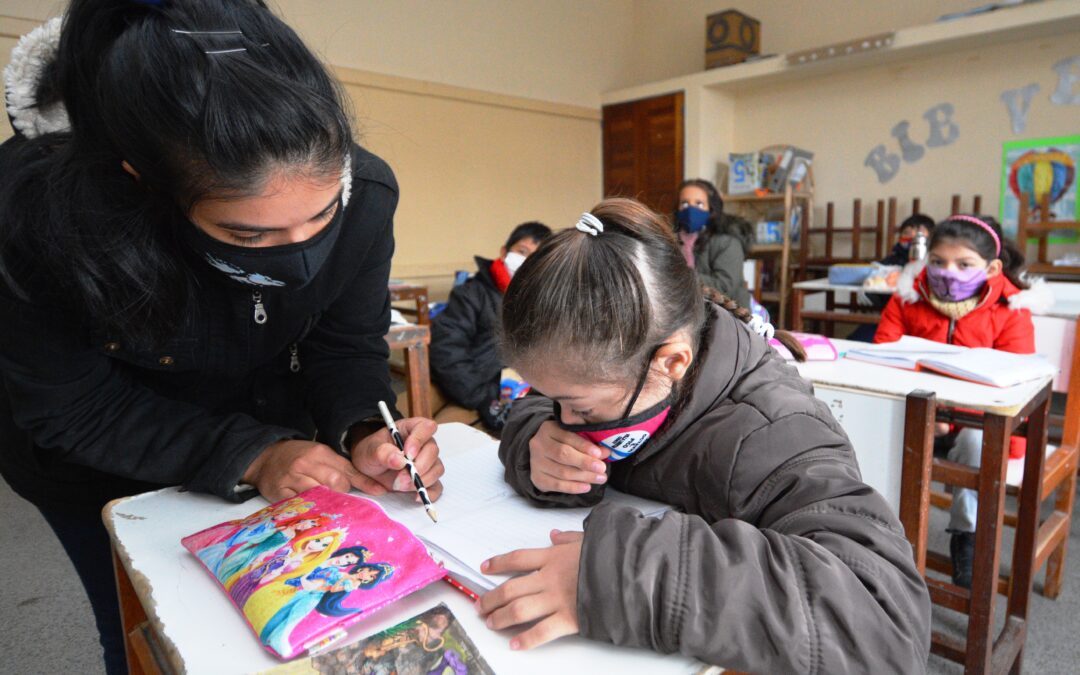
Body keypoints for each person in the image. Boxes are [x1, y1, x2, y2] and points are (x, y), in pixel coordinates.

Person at [0, 2, 443, 672]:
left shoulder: (369, 191)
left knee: (298, 634)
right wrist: (252, 452)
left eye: (322, 215)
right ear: (143, 182)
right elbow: (72, 406)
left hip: (274, 429)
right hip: (96, 461)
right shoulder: (39, 212)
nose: (301, 256)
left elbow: (345, 345)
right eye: (248, 235)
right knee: (151, 634)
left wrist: (361, 426)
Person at [475, 198, 931, 672]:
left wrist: (623, 576)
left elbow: (885, 629)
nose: (566, 422)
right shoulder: (622, 363)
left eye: (579, 407)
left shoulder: (774, 431)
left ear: (672, 363)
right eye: (558, 403)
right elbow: (539, 401)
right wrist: (533, 438)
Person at [875, 214, 1050, 588]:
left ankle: (966, 536)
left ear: (992, 268)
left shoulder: (1010, 310)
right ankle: (879, 535)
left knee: (976, 445)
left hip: (979, 425)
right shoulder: (908, 297)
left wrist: (948, 419)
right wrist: (926, 413)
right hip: (916, 413)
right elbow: (884, 359)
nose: (947, 272)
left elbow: (1010, 388)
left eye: (964, 264)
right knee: (868, 426)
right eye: (938, 262)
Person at [430, 221, 551, 431]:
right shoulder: (472, 293)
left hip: (522, 394)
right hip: (470, 390)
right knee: (439, 438)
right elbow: (447, 348)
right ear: (504, 252)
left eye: (535, 258)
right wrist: (482, 398)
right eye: (522, 252)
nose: (525, 262)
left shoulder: (544, 300)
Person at [849, 213, 937, 342]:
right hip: (888, 315)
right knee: (860, 340)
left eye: (919, 232)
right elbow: (873, 289)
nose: (912, 237)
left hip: (923, 319)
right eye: (907, 232)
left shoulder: (934, 263)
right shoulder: (890, 261)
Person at [673, 178, 753, 307]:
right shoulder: (670, 240)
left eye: (699, 204)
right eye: (684, 204)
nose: (691, 210)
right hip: (683, 312)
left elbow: (724, 287)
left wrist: (679, 276)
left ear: (711, 208)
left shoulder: (727, 242)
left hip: (726, 316)